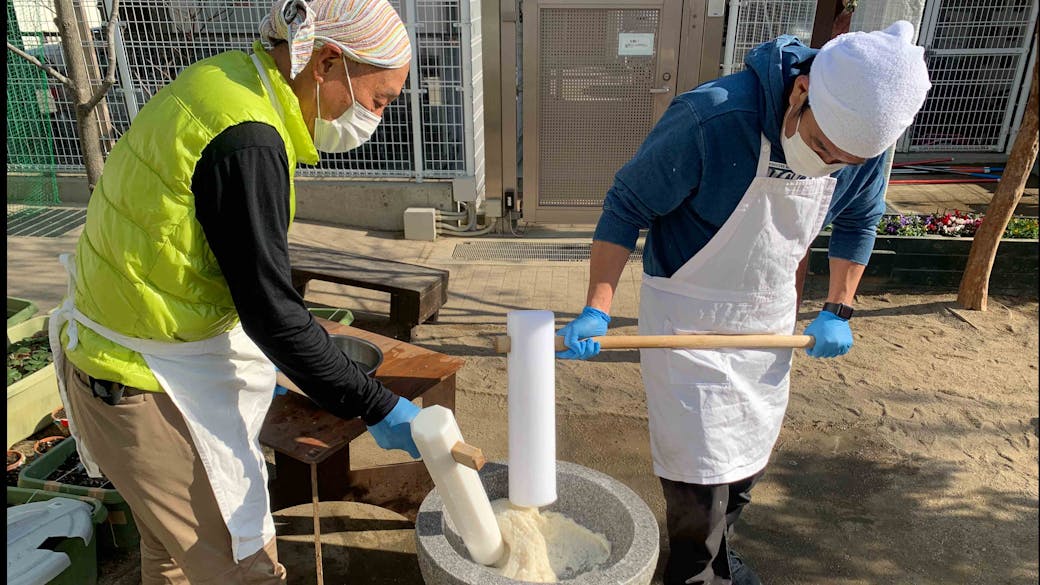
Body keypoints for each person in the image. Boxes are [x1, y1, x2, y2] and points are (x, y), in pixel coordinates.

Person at [47, 0, 420, 582]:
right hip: (140, 382)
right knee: (245, 566)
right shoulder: (249, 141)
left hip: (113, 356)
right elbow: (273, 311)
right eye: (378, 100)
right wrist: (377, 405)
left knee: (168, 556)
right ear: (326, 62)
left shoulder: (229, 79)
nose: (374, 118)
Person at [555, 22, 931, 585]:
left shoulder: (865, 149)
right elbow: (626, 205)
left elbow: (860, 219)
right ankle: (692, 572)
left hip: (768, 322)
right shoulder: (712, 119)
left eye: (845, 161)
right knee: (699, 474)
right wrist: (597, 307)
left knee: (745, 466)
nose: (829, 165)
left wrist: (838, 308)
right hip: (687, 319)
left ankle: (718, 557)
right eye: (824, 147)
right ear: (801, 91)